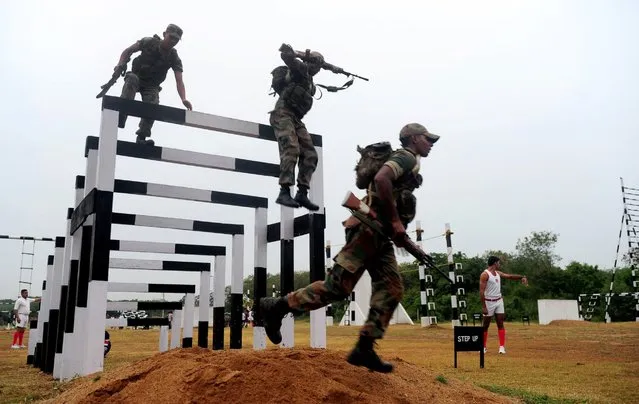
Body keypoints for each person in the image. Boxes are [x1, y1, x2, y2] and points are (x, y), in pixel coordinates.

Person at [260, 123, 440, 373]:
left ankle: (364, 348)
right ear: (412, 139)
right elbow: (381, 178)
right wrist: (397, 222)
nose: (431, 142)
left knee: (392, 288)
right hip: (367, 230)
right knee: (337, 287)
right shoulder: (406, 157)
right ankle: (277, 306)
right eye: (426, 138)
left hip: (380, 235)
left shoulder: (411, 163)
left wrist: (401, 234)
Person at [268, 43, 330, 211]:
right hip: (282, 113)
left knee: (310, 154)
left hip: (295, 118)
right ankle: (284, 191)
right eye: (315, 63)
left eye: (319, 65)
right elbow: (286, 55)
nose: (317, 68)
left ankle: (302, 192)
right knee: (292, 148)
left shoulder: (310, 84)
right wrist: (301, 55)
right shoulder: (299, 69)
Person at [115, 23, 193, 146]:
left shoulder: (173, 57)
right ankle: (121, 115)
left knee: (153, 104)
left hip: (151, 85)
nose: (173, 41)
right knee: (132, 80)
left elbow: (179, 80)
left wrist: (183, 98)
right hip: (137, 76)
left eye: (176, 40)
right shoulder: (149, 42)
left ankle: (142, 137)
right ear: (164, 34)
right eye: (171, 37)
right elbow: (128, 51)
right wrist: (120, 64)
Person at [479, 255, 528, 354]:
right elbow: (481, 291)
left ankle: (501, 347)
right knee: (485, 325)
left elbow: (509, 276)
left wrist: (522, 277)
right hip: (489, 302)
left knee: (500, 323)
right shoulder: (485, 274)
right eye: (499, 262)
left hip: (498, 300)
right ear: (494, 263)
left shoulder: (498, 273)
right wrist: (484, 306)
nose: (499, 264)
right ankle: (483, 346)